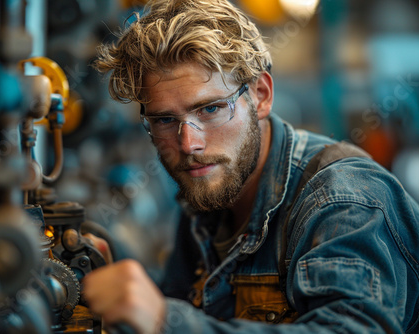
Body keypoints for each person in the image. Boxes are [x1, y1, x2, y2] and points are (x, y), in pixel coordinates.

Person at [81, 0, 419, 333]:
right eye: (165, 120)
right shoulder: (207, 196)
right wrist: (119, 273)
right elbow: (185, 302)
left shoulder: (342, 202)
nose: (189, 145)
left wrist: (165, 322)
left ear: (260, 95)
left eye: (210, 109)